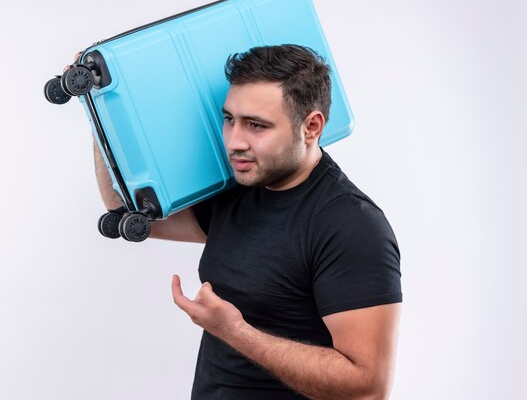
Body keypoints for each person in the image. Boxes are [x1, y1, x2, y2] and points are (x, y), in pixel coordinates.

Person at [89, 45, 402, 400]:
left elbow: (367, 388)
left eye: (256, 125)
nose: (235, 141)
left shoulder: (350, 226)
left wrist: (235, 331)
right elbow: (121, 204)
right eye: (229, 119)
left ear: (311, 126)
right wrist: (98, 107)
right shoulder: (241, 187)